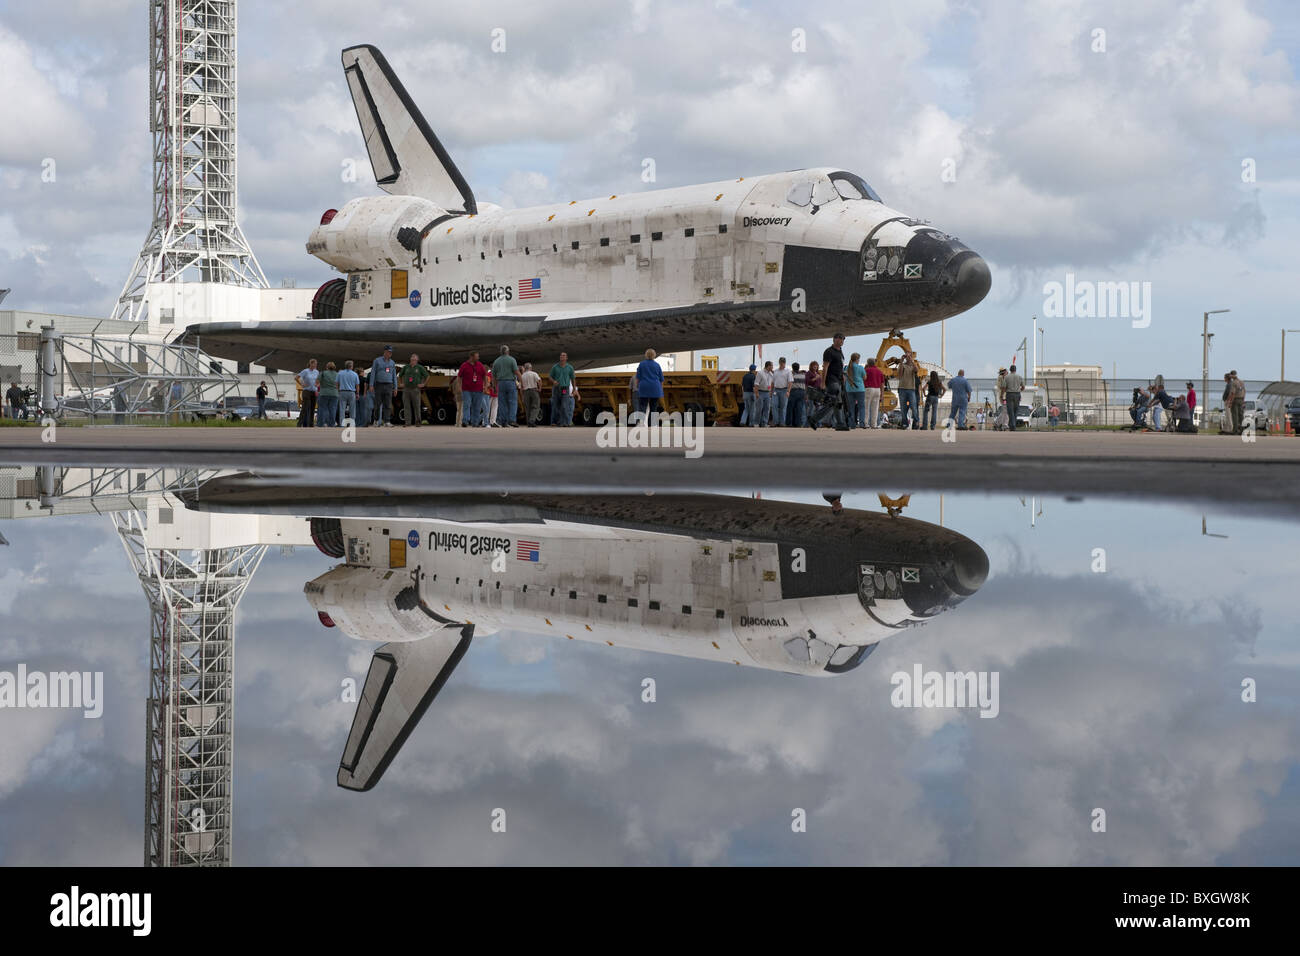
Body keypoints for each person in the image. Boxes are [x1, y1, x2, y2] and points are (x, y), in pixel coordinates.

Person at [811, 333, 849, 430]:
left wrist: (843, 376)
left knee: (837, 403)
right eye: (840, 339)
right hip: (831, 380)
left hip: (838, 380)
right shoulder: (829, 351)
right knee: (833, 401)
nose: (842, 341)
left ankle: (840, 424)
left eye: (843, 339)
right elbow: (825, 367)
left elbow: (839, 366)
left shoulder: (840, 351)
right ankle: (814, 419)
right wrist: (823, 382)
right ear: (834, 339)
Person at [491, 346, 521, 427]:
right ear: (508, 351)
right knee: (513, 402)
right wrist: (522, 381)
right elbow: (516, 371)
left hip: (501, 383)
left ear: (501, 352)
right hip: (510, 382)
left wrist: (494, 386)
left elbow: (493, 375)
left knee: (502, 403)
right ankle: (512, 420)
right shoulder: (512, 359)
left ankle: (503, 421)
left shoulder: (496, 361)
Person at [458, 351, 488, 427]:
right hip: (467, 390)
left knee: (477, 407)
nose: (478, 358)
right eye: (477, 356)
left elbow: (484, 376)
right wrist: (459, 386)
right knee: (467, 405)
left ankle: (475, 422)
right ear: (471, 357)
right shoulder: (464, 365)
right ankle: (465, 421)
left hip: (478, 390)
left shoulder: (480, 365)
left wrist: (485, 386)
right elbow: (459, 376)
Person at [398, 353, 429, 426]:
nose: (413, 361)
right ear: (410, 360)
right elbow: (400, 375)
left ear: (417, 360)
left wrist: (423, 384)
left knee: (417, 406)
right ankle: (407, 422)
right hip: (406, 389)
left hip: (415, 389)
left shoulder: (420, 367)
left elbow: (427, 376)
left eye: (414, 359)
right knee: (406, 406)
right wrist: (401, 383)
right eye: (412, 359)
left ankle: (418, 422)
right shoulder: (406, 367)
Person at [369, 347, 397, 426]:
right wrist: (371, 385)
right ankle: (376, 420)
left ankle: (387, 421)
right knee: (377, 404)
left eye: (391, 353)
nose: (390, 354)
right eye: (388, 352)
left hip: (389, 385)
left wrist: (395, 387)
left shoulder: (392, 362)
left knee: (388, 404)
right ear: (384, 352)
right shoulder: (377, 361)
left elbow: (394, 375)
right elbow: (373, 373)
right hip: (379, 384)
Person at [635, 348, 665, 420]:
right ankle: (652, 425)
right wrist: (660, 388)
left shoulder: (641, 364)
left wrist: (637, 386)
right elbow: (661, 379)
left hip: (644, 387)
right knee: (654, 408)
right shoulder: (657, 365)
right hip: (655, 388)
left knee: (642, 407)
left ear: (646, 355)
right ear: (654, 355)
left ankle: (641, 423)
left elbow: (638, 377)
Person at [549, 352, 576, 426]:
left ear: (566, 358)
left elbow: (573, 378)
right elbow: (550, 377)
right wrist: (553, 381)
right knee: (555, 405)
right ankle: (554, 422)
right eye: (561, 355)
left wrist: (574, 389)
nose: (562, 357)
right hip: (556, 388)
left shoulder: (570, 367)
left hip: (565, 388)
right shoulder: (555, 367)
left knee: (564, 406)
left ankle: (565, 422)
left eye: (564, 356)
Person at [897, 353, 921, 429]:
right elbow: (900, 374)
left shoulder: (913, 366)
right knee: (903, 407)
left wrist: (912, 361)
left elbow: (916, 370)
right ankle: (904, 423)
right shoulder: (902, 365)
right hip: (902, 388)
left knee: (914, 407)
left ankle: (916, 421)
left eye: (909, 356)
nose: (908, 357)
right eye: (906, 356)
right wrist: (901, 361)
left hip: (911, 389)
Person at [296, 359, 319, 427]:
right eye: (314, 364)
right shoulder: (305, 371)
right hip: (306, 391)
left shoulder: (316, 372)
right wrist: (302, 384)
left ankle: (311, 424)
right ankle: (299, 423)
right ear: (311, 364)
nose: (315, 365)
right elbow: (297, 378)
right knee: (305, 408)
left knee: (312, 408)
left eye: (316, 364)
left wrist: (317, 385)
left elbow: (318, 380)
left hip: (314, 391)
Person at [845, 353, 866, 428]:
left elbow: (844, 378)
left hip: (849, 389)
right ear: (857, 359)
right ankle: (862, 423)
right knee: (861, 407)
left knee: (851, 407)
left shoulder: (847, 367)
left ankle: (852, 424)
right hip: (859, 388)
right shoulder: (860, 367)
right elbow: (864, 377)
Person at [317, 361, 340, 427]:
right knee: (333, 409)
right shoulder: (337, 374)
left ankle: (321, 423)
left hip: (324, 393)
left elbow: (317, 383)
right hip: (334, 393)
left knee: (323, 408)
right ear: (334, 367)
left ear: (327, 367)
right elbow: (338, 384)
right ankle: (331, 424)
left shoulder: (323, 373)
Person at [863, 358, 884, 429]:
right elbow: (882, 383)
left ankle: (865, 423)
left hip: (869, 389)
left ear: (868, 363)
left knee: (866, 407)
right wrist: (882, 394)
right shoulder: (879, 371)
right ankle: (874, 424)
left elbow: (863, 379)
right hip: (877, 390)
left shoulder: (866, 370)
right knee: (875, 408)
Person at [772, 357, 793, 427]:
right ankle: (775, 422)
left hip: (784, 390)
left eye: (783, 362)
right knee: (774, 406)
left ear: (785, 362)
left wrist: (788, 391)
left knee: (783, 407)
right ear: (779, 362)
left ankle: (782, 422)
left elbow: (790, 382)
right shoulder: (775, 371)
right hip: (775, 390)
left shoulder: (788, 371)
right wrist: (771, 391)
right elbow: (772, 382)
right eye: (781, 362)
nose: (782, 363)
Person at [1004, 364, 1024, 431]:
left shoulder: (1006, 377)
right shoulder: (1019, 377)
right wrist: (1019, 390)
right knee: (1016, 410)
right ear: (1015, 370)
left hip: (1009, 394)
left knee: (1010, 411)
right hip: (1017, 394)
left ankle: (1012, 425)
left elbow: (1004, 387)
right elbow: (1023, 387)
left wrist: (1002, 394)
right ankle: (1013, 425)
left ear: (1010, 370)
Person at [754, 360, 774, 427]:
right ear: (768, 366)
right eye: (772, 366)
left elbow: (771, 383)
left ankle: (764, 423)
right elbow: (756, 383)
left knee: (767, 409)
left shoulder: (771, 374)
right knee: (759, 409)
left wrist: (771, 392)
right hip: (760, 392)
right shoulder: (760, 373)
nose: (772, 367)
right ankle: (756, 423)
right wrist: (756, 393)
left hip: (767, 393)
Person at [788, 362, 806, 427]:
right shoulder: (803, 375)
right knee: (799, 409)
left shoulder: (792, 375)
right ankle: (798, 423)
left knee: (791, 408)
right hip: (802, 392)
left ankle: (790, 423)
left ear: (792, 368)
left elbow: (789, 383)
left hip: (793, 391)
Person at [1228, 370, 1246, 435]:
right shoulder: (1241, 382)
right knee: (1241, 415)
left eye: (1230, 375)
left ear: (1232, 375)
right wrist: (1243, 400)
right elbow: (1244, 391)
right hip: (1241, 399)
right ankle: (1242, 430)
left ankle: (1235, 430)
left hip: (1235, 400)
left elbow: (1233, 393)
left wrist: (1230, 402)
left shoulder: (1234, 382)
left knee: (1235, 415)